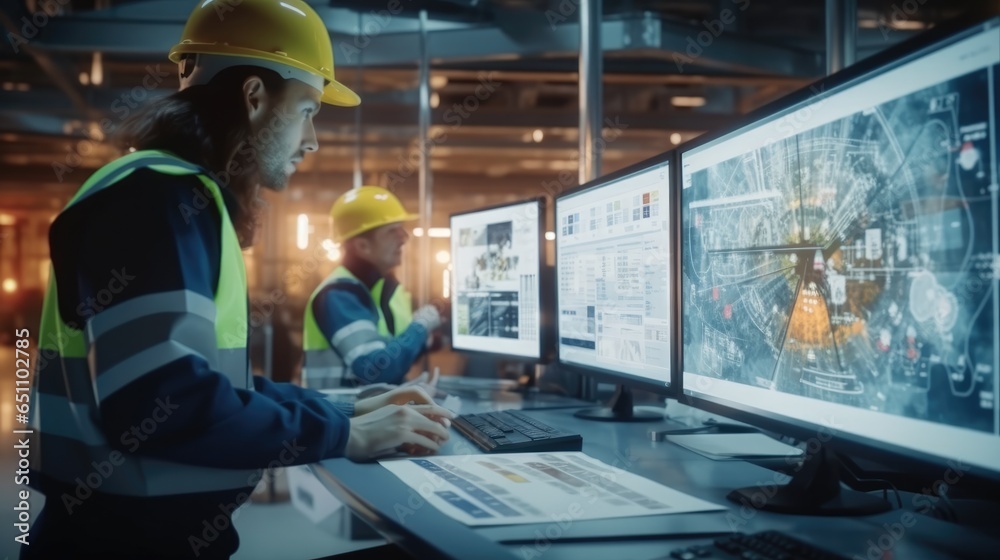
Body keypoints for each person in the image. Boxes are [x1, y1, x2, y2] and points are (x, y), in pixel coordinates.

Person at [23, 1, 452, 559]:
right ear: (254, 98)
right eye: (306, 110)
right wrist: (346, 436)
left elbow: (211, 385)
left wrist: (350, 410)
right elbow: (163, 405)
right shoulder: (161, 198)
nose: (313, 139)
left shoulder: (170, 193)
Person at [302, 186, 447, 389]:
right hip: (342, 415)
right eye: (391, 231)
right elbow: (376, 370)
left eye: (401, 227)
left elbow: (390, 348)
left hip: (365, 415)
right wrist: (420, 326)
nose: (404, 237)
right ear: (362, 246)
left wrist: (428, 339)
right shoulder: (339, 295)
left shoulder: (378, 289)